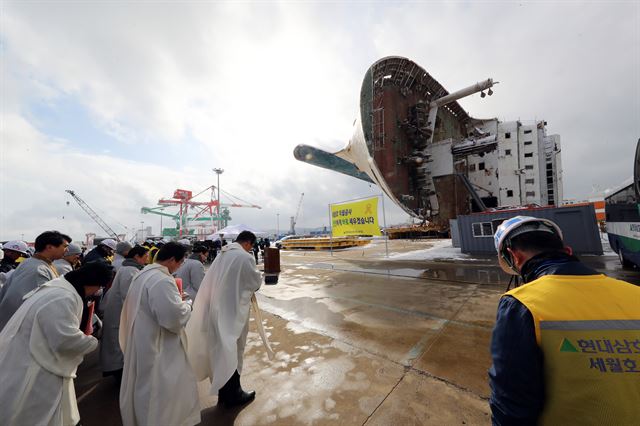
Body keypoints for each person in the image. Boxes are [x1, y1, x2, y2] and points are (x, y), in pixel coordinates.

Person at [489, 216, 640, 425]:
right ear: (567, 251)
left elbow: (511, 404)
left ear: (515, 257)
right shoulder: (635, 294)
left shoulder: (521, 304)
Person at [0, 262, 113, 426]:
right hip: (36, 363)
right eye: (99, 287)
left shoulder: (59, 287)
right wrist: (91, 342)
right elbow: (65, 340)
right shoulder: (62, 297)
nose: (97, 292)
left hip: (27, 353)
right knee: (36, 411)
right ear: (91, 282)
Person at [119, 242, 200, 426]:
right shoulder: (162, 280)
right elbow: (172, 318)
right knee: (161, 391)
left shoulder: (143, 274)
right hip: (159, 344)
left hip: (143, 337)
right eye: (180, 263)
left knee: (145, 386)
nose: (180, 267)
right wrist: (187, 305)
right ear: (172, 260)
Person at [186, 231, 262, 407]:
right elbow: (254, 282)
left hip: (215, 310)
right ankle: (234, 394)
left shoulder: (222, 255)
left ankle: (224, 393)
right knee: (233, 351)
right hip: (232, 313)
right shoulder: (245, 257)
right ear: (249, 243)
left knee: (221, 352)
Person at [0, 231, 70, 331]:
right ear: (49, 247)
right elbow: (38, 306)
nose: (67, 250)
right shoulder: (38, 270)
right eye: (64, 246)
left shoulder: (33, 263)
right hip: (19, 329)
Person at [100, 245, 149, 383]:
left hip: (120, 312)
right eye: (145, 256)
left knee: (119, 346)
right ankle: (121, 377)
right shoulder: (130, 271)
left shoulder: (129, 268)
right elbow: (129, 296)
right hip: (120, 314)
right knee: (119, 346)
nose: (147, 259)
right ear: (136, 257)